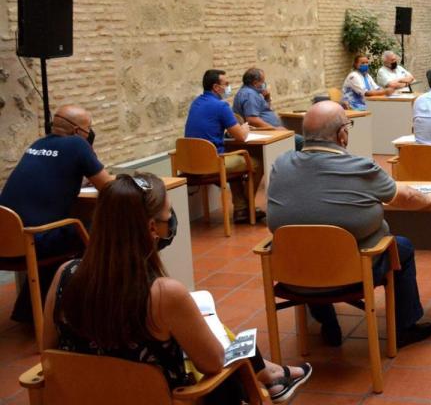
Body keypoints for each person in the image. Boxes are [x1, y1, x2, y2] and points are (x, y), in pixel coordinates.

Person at [42, 174, 312, 403]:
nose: (170, 220)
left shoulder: (65, 274)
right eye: (167, 214)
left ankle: (272, 374)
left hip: (84, 397)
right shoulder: (162, 294)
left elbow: (50, 353)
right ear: (152, 228)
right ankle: (271, 376)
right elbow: (213, 364)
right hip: (161, 397)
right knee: (232, 363)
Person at [264, 102, 431, 348]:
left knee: (311, 248)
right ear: (342, 134)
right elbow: (407, 198)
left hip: (292, 273)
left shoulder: (280, 166)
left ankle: (328, 324)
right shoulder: (361, 168)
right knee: (403, 247)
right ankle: (404, 327)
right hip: (354, 271)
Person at [0, 105, 115, 324]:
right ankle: (90, 312)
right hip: (34, 240)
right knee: (99, 231)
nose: (90, 133)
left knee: (62, 233)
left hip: (7, 240)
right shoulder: (77, 145)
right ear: (77, 131)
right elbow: (108, 187)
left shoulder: (37, 144)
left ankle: (28, 310)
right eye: (88, 128)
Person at [184, 69, 252, 218]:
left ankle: (241, 208)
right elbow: (240, 136)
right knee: (253, 162)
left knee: (233, 164)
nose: (228, 87)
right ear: (216, 87)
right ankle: (249, 207)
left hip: (190, 162)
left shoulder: (196, 103)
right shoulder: (221, 106)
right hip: (213, 163)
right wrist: (245, 127)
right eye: (226, 84)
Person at [232, 67, 303, 150]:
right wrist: (275, 129)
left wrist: (267, 99)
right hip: (266, 133)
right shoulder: (249, 94)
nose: (264, 84)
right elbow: (252, 119)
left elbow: (264, 111)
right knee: (302, 142)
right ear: (255, 83)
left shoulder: (252, 92)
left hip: (270, 130)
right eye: (262, 81)